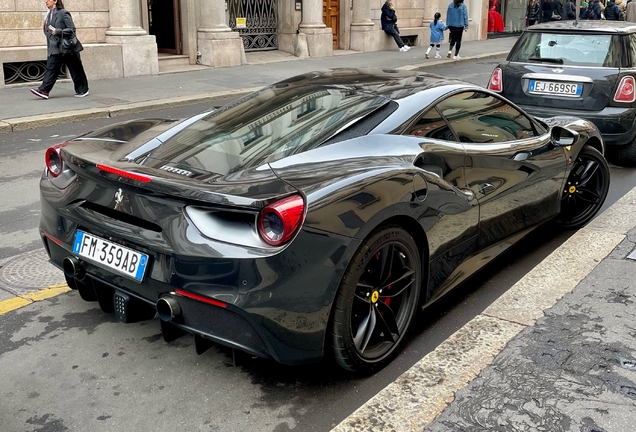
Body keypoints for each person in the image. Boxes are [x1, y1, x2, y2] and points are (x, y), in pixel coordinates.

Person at [30, 0, 89, 100]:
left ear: (55, 1)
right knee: (51, 69)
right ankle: (44, 90)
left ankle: (82, 89)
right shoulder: (48, 16)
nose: (46, 1)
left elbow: (72, 29)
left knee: (76, 69)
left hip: (67, 48)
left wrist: (58, 31)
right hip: (55, 49)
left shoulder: (63, 13)